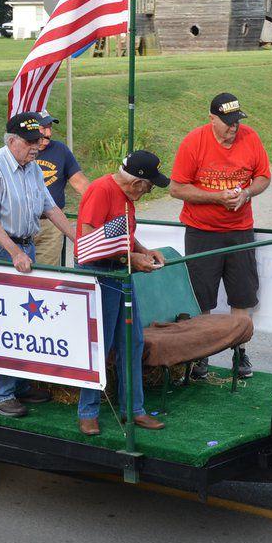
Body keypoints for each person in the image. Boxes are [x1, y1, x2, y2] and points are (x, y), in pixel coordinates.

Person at [0, 112, 80, 417]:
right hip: (1, 249)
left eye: (40, 140)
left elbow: (50, 207)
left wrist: (77, 238)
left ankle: (18, 385)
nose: (37, 146)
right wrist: (15, 253)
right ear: (12, 141)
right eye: (31, 141)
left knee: (25, 321)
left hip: (25, 246)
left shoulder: (31, 167)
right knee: (4, 322)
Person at [170, 93, 271, 380]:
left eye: (237, 121)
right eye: (227, 123)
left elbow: (263, 176)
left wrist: (247, 192)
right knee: (202, 297)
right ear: (212, 118)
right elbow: (176, 188)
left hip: (240, 229)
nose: (233, 128)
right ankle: (201, 355)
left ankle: (239, 352)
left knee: (242, 295)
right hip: (202, 231)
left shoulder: (250, 138)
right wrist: (216, 197)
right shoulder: (194, 141)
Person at [74, 151, 170, 436]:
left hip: (118, 271)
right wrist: (130, 258)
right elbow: (89, 238)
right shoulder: (101, 189)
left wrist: (141, 251)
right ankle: (87, 411)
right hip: (99, 273)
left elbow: (122, 234)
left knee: (132, 341)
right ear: (138, 183)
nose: (151, 190)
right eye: (150, 185)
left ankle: (134, 409)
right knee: (98, 344)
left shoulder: (126, 195)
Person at [33, 109, 90, 267]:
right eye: (43, 128)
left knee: (47, 276)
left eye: (50, 127)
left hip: (51, 225)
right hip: (22, 224)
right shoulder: (21, 152)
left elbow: (80, 183)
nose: (48, 133)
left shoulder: (60, 150)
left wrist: (102, 201)